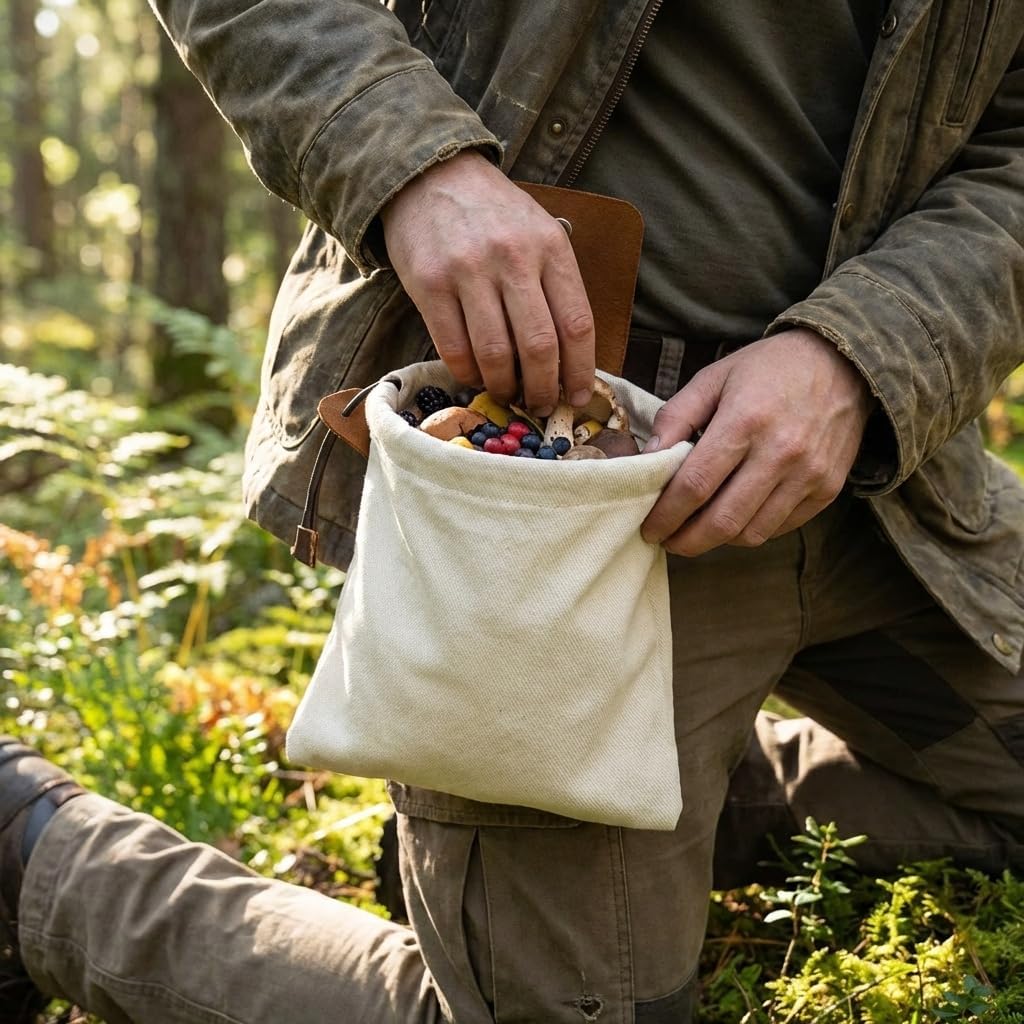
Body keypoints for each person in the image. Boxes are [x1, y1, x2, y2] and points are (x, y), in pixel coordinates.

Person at [4, 2, 1024, 1022]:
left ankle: (642, 813)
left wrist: (865, 353)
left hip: (887, 487)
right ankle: (41, 862)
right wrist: (410, 161)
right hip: (530, 505)